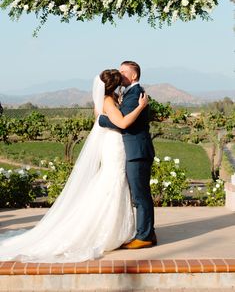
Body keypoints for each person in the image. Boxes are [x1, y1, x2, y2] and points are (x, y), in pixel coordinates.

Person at [0, 69, 148, 263]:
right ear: (114, 85)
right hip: (114, 146)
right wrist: (141, 106)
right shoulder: (109, 102)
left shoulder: (103, 100)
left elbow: (103, 119)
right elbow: (121, 123)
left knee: (111, 183)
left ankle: (112, 228)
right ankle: (108, 231)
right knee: (113, 183)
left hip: (111, 145)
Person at [99, 61, 156, 249]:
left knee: (140, 196)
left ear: (134, 76)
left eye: (124, 72)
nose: (120, 74)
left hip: (137, 151)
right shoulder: (128, 94)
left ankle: (145, 236)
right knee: (139, 195)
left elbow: (122, 123)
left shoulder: (135, 95)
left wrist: (101, 119)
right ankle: (146, 232)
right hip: (132, 150)